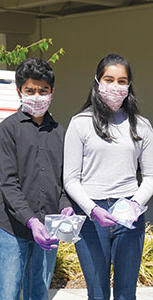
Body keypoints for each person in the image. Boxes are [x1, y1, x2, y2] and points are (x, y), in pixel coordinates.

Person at [63, 53, 153, 300]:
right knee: (98, 294)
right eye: (109, 79)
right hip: (92, 218)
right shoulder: (80, 123)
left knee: (126, 294)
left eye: (122, 81)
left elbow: (150, 176)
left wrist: (135, 204)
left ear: (129, 85)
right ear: (97, 81)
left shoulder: (142, 126)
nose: (115, 86)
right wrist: (92, 209)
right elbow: (70, 178)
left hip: (129, 217)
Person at [0, 57, 73, 300]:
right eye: (30, 90)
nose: (37, 96)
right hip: (11, 229)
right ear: (19, 91)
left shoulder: (59, 132)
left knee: (38, 293)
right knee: (6, 294)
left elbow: (63, 181)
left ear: (52, 92)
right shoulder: (8, 129)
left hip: (48, 231)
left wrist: (66, 206)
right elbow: (9, 184)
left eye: (43, 91)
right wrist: (31, 221)